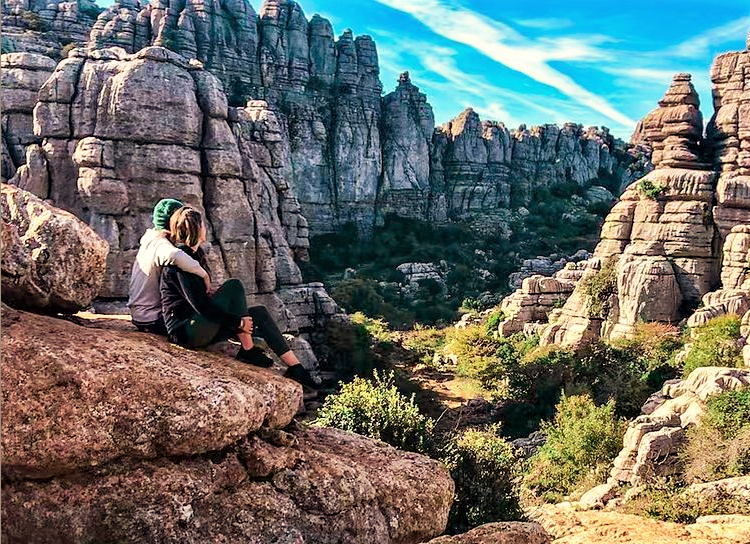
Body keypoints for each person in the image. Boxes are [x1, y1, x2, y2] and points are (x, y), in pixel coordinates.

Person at [160, 205, 320, 389]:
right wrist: (238, 323)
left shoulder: (195, 255)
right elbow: (201, 307)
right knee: (233, 286)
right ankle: (248, 350)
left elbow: (199, 299)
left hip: (199, 324)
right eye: (202, 224)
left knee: (258, 312)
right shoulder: (181, 260)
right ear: (195, 228)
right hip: (186, 331)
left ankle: (297, 368)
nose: (205, 228)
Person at [128, 198, 211, 335]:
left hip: (141, 315)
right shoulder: (160, 244)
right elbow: (174, 255)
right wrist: (203, 274)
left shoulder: (150, 239)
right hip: (153, 318)